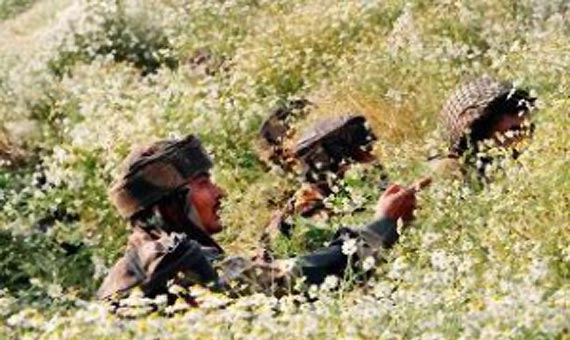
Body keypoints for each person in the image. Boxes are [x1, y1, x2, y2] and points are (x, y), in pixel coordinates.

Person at [97, 134, 422, 304]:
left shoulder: (135, 264)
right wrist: (381, 226)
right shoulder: (169, 259)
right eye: (203, 183)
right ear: (170, 205)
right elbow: (295, 280)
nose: (220, 192)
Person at [429, 75, 536, 182]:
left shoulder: (527, 163)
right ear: (483, 124)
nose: (522, 120)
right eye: (511, 111)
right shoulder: (449, 170)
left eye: (523, 110)